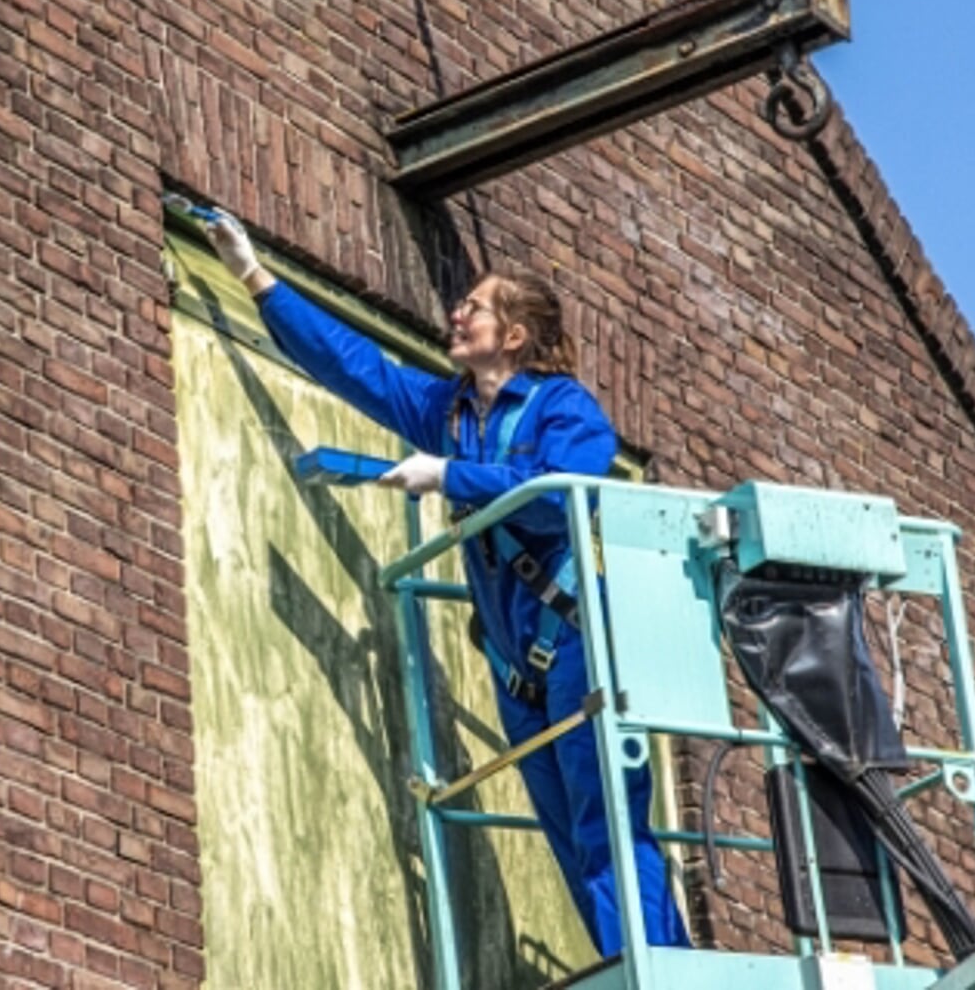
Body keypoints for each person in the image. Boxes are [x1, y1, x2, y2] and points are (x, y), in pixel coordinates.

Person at [202, 211, 690, 958]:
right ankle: (629, 965)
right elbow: (356, 367)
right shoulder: (450, 409)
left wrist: (449, 475)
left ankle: (663, 971)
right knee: (567, 835)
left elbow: (563, 490)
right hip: (513, 665)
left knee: (607, 828)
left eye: (476, 306)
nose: (456, 313)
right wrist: (253, 275)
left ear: (515, 336)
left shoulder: (563, 409)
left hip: (575, 644)